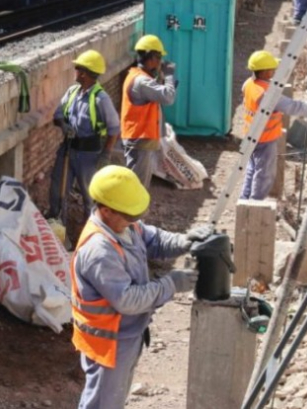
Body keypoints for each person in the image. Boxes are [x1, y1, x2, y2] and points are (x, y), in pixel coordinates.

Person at [71, 165, 211, 409]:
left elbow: (152, 238)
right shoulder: (99, 252)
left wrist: (183, 241)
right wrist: (171, 284)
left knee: (114, 400)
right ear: (105, 211)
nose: (135, 220)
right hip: (109, 343)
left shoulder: (123, 224)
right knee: (103, 403)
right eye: (130, 216)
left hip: (127, 334)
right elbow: (127, 300)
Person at [48, 50, 120, 245]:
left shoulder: (100, 99)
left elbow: (114, 128)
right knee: (58, 191)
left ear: (85, 73)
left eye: (78, 68)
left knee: (90, 196)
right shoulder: (72, 92)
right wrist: (64, 125)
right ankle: (60, 234)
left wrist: (106, 153)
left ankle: (92, 237)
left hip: (89, 155)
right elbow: (58, 115)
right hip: (68, 150)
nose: (75, 71)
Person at [240, 50, 307, 200]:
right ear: (264, 72)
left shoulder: (249, 84)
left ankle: (244, 200)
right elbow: (295, 107)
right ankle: (255, 203)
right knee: (264, 173)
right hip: (264, 138)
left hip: (250, 134)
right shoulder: (268, 95)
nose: (274, 71)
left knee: (252, 168)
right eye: (272, 69)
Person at [120, 35, 178, 187]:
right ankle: (134, 211)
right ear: (151, 58)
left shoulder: (139, 76)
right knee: (137, 188)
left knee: (137, 185)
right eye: (159, 58)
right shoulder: (142, 81)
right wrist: (170, 76)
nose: (160, 63)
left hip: (140, 139)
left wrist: (160, 78)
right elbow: (168, 98)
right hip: (140, 140)